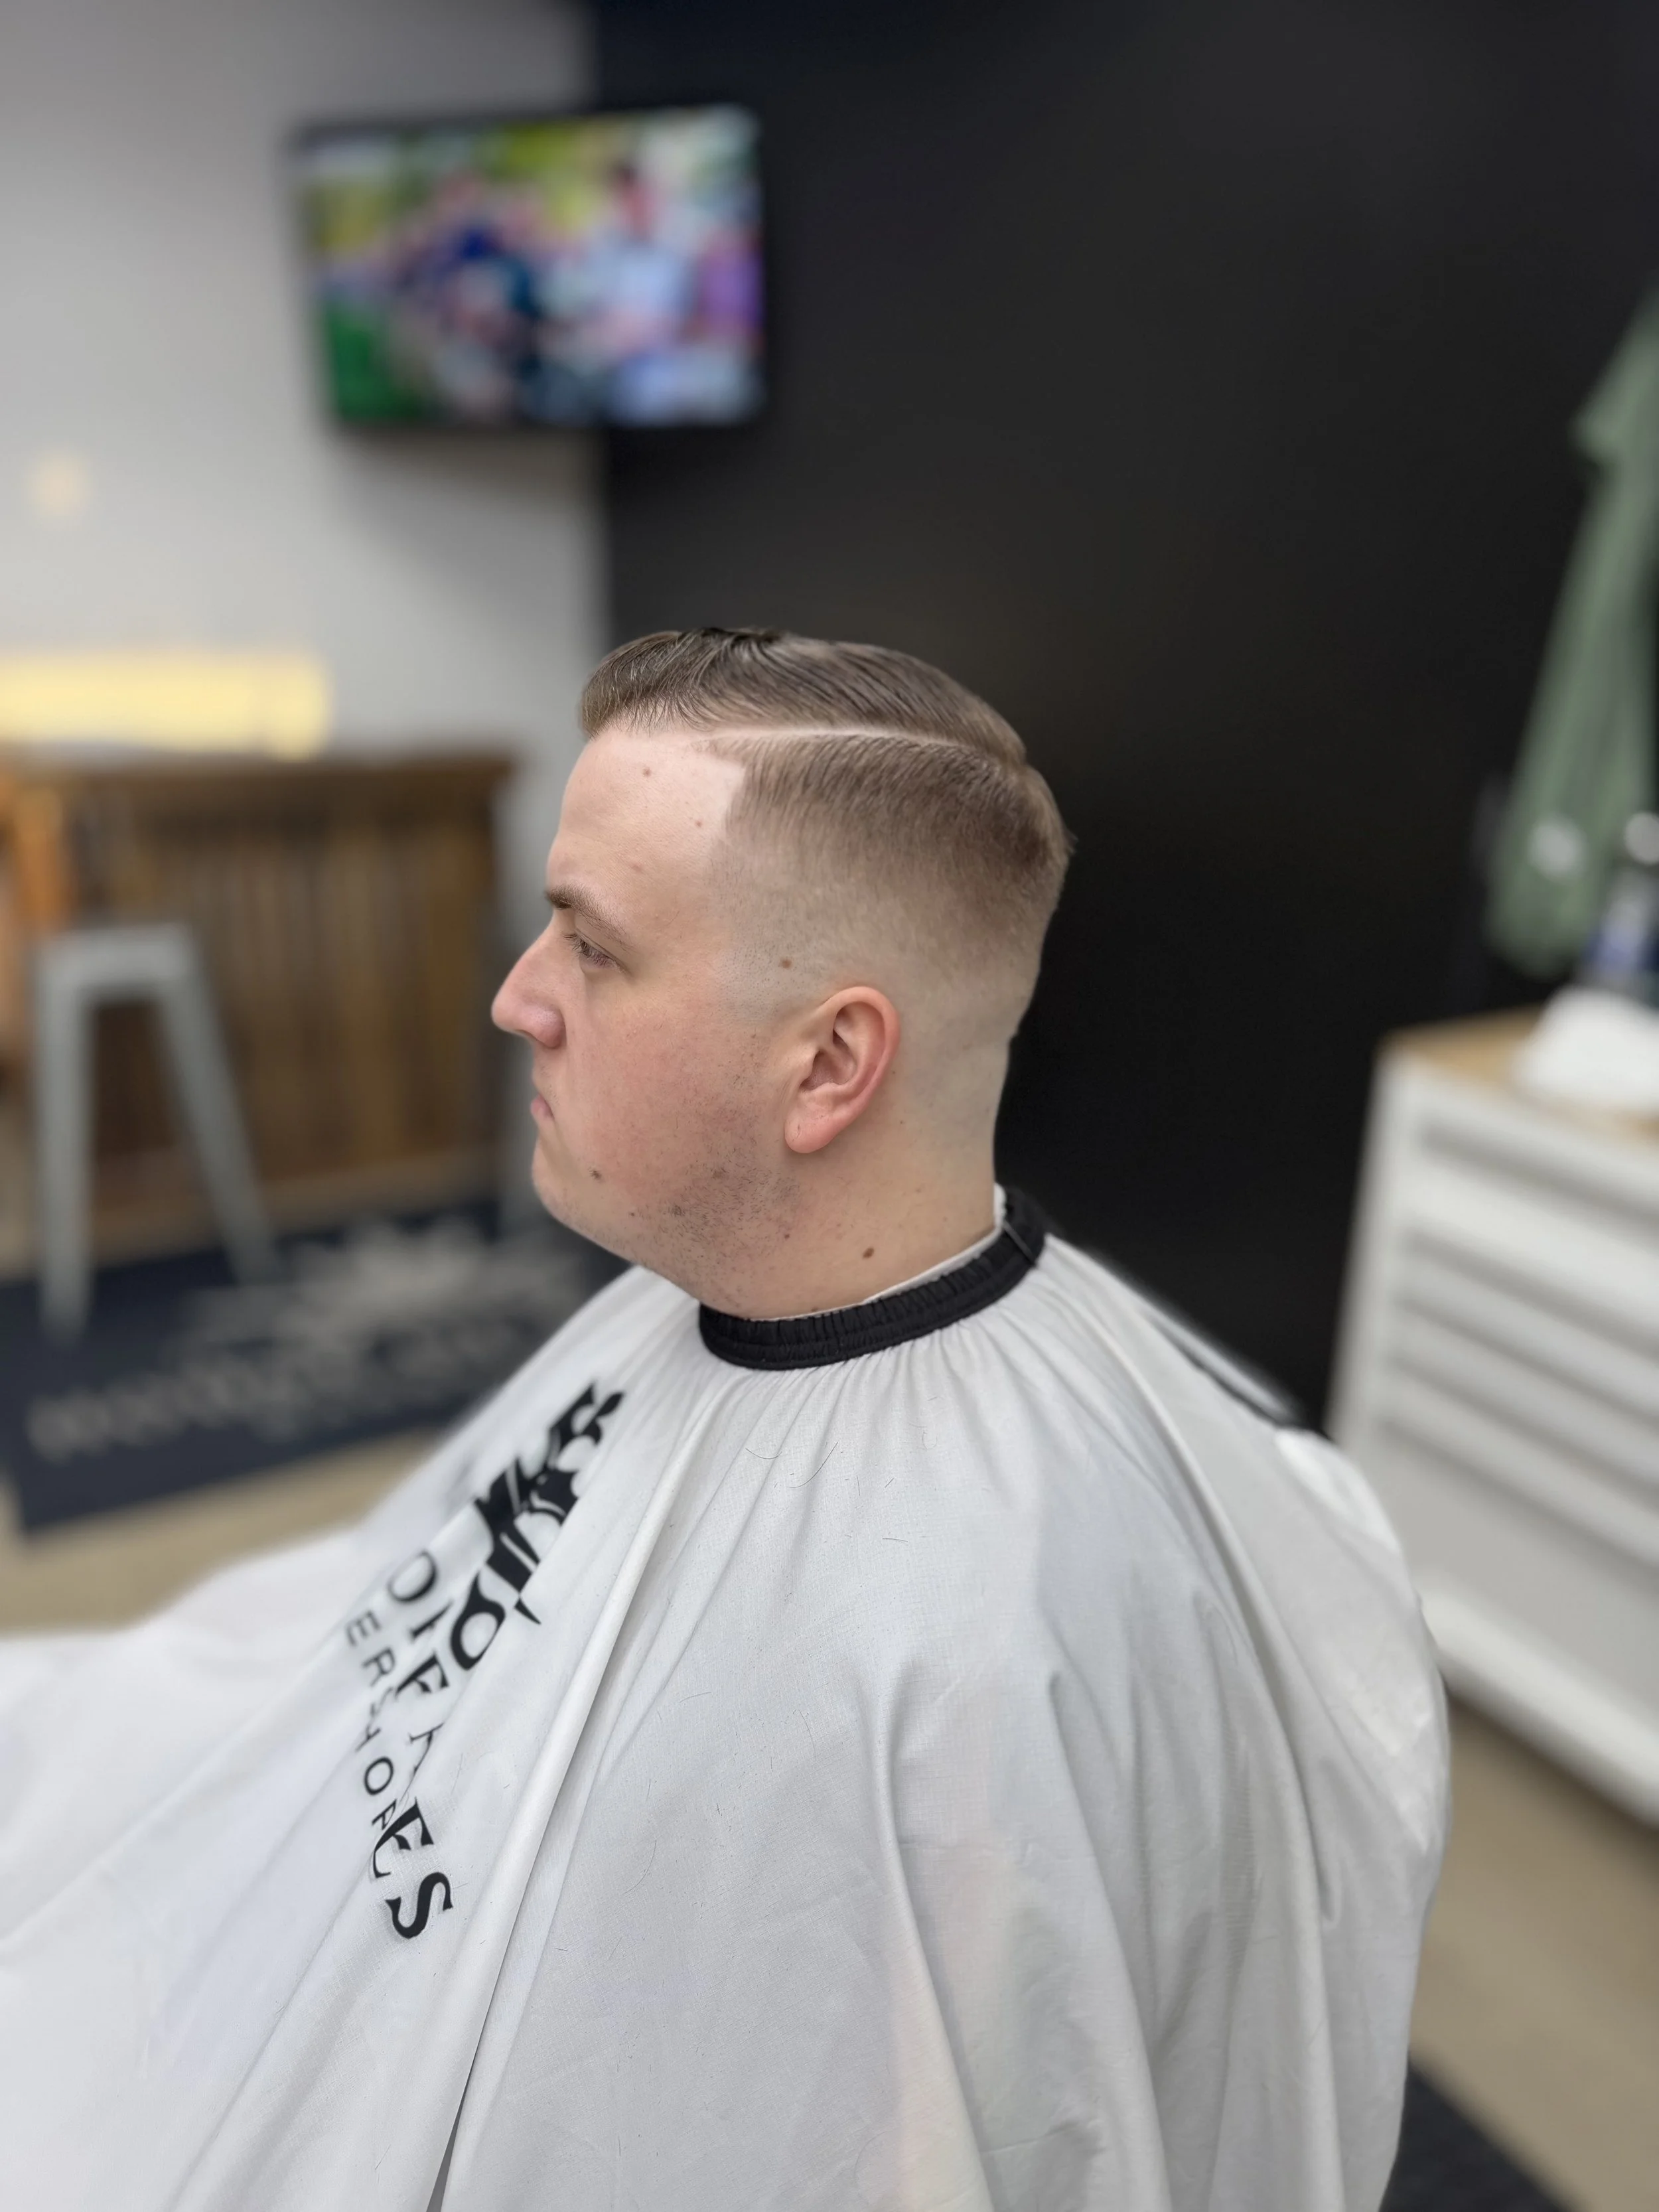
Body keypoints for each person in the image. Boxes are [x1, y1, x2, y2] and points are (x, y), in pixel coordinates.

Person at [0, 629, 1447, 2211]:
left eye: (592, 949)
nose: (513, 1000)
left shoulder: (962, 1662)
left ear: (827, 1062)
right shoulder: (677, 1293)